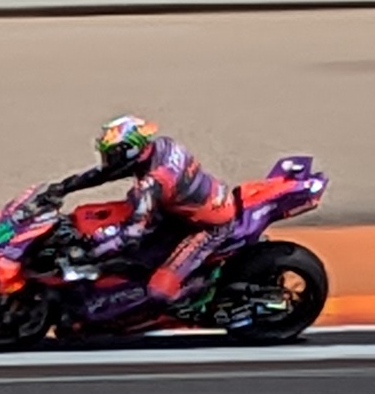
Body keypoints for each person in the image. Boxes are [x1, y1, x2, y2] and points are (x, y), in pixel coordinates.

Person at [43, 114, 235, 307]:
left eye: (112, 154)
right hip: (181, 210)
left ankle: (202, 290)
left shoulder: (152, 183)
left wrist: (92, 250)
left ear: (130, 150)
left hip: (209, 226)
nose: (109, 159)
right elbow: (107, 173)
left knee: (159, 291)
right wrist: (64, 187)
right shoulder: (159, 147)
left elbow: (132, 233)